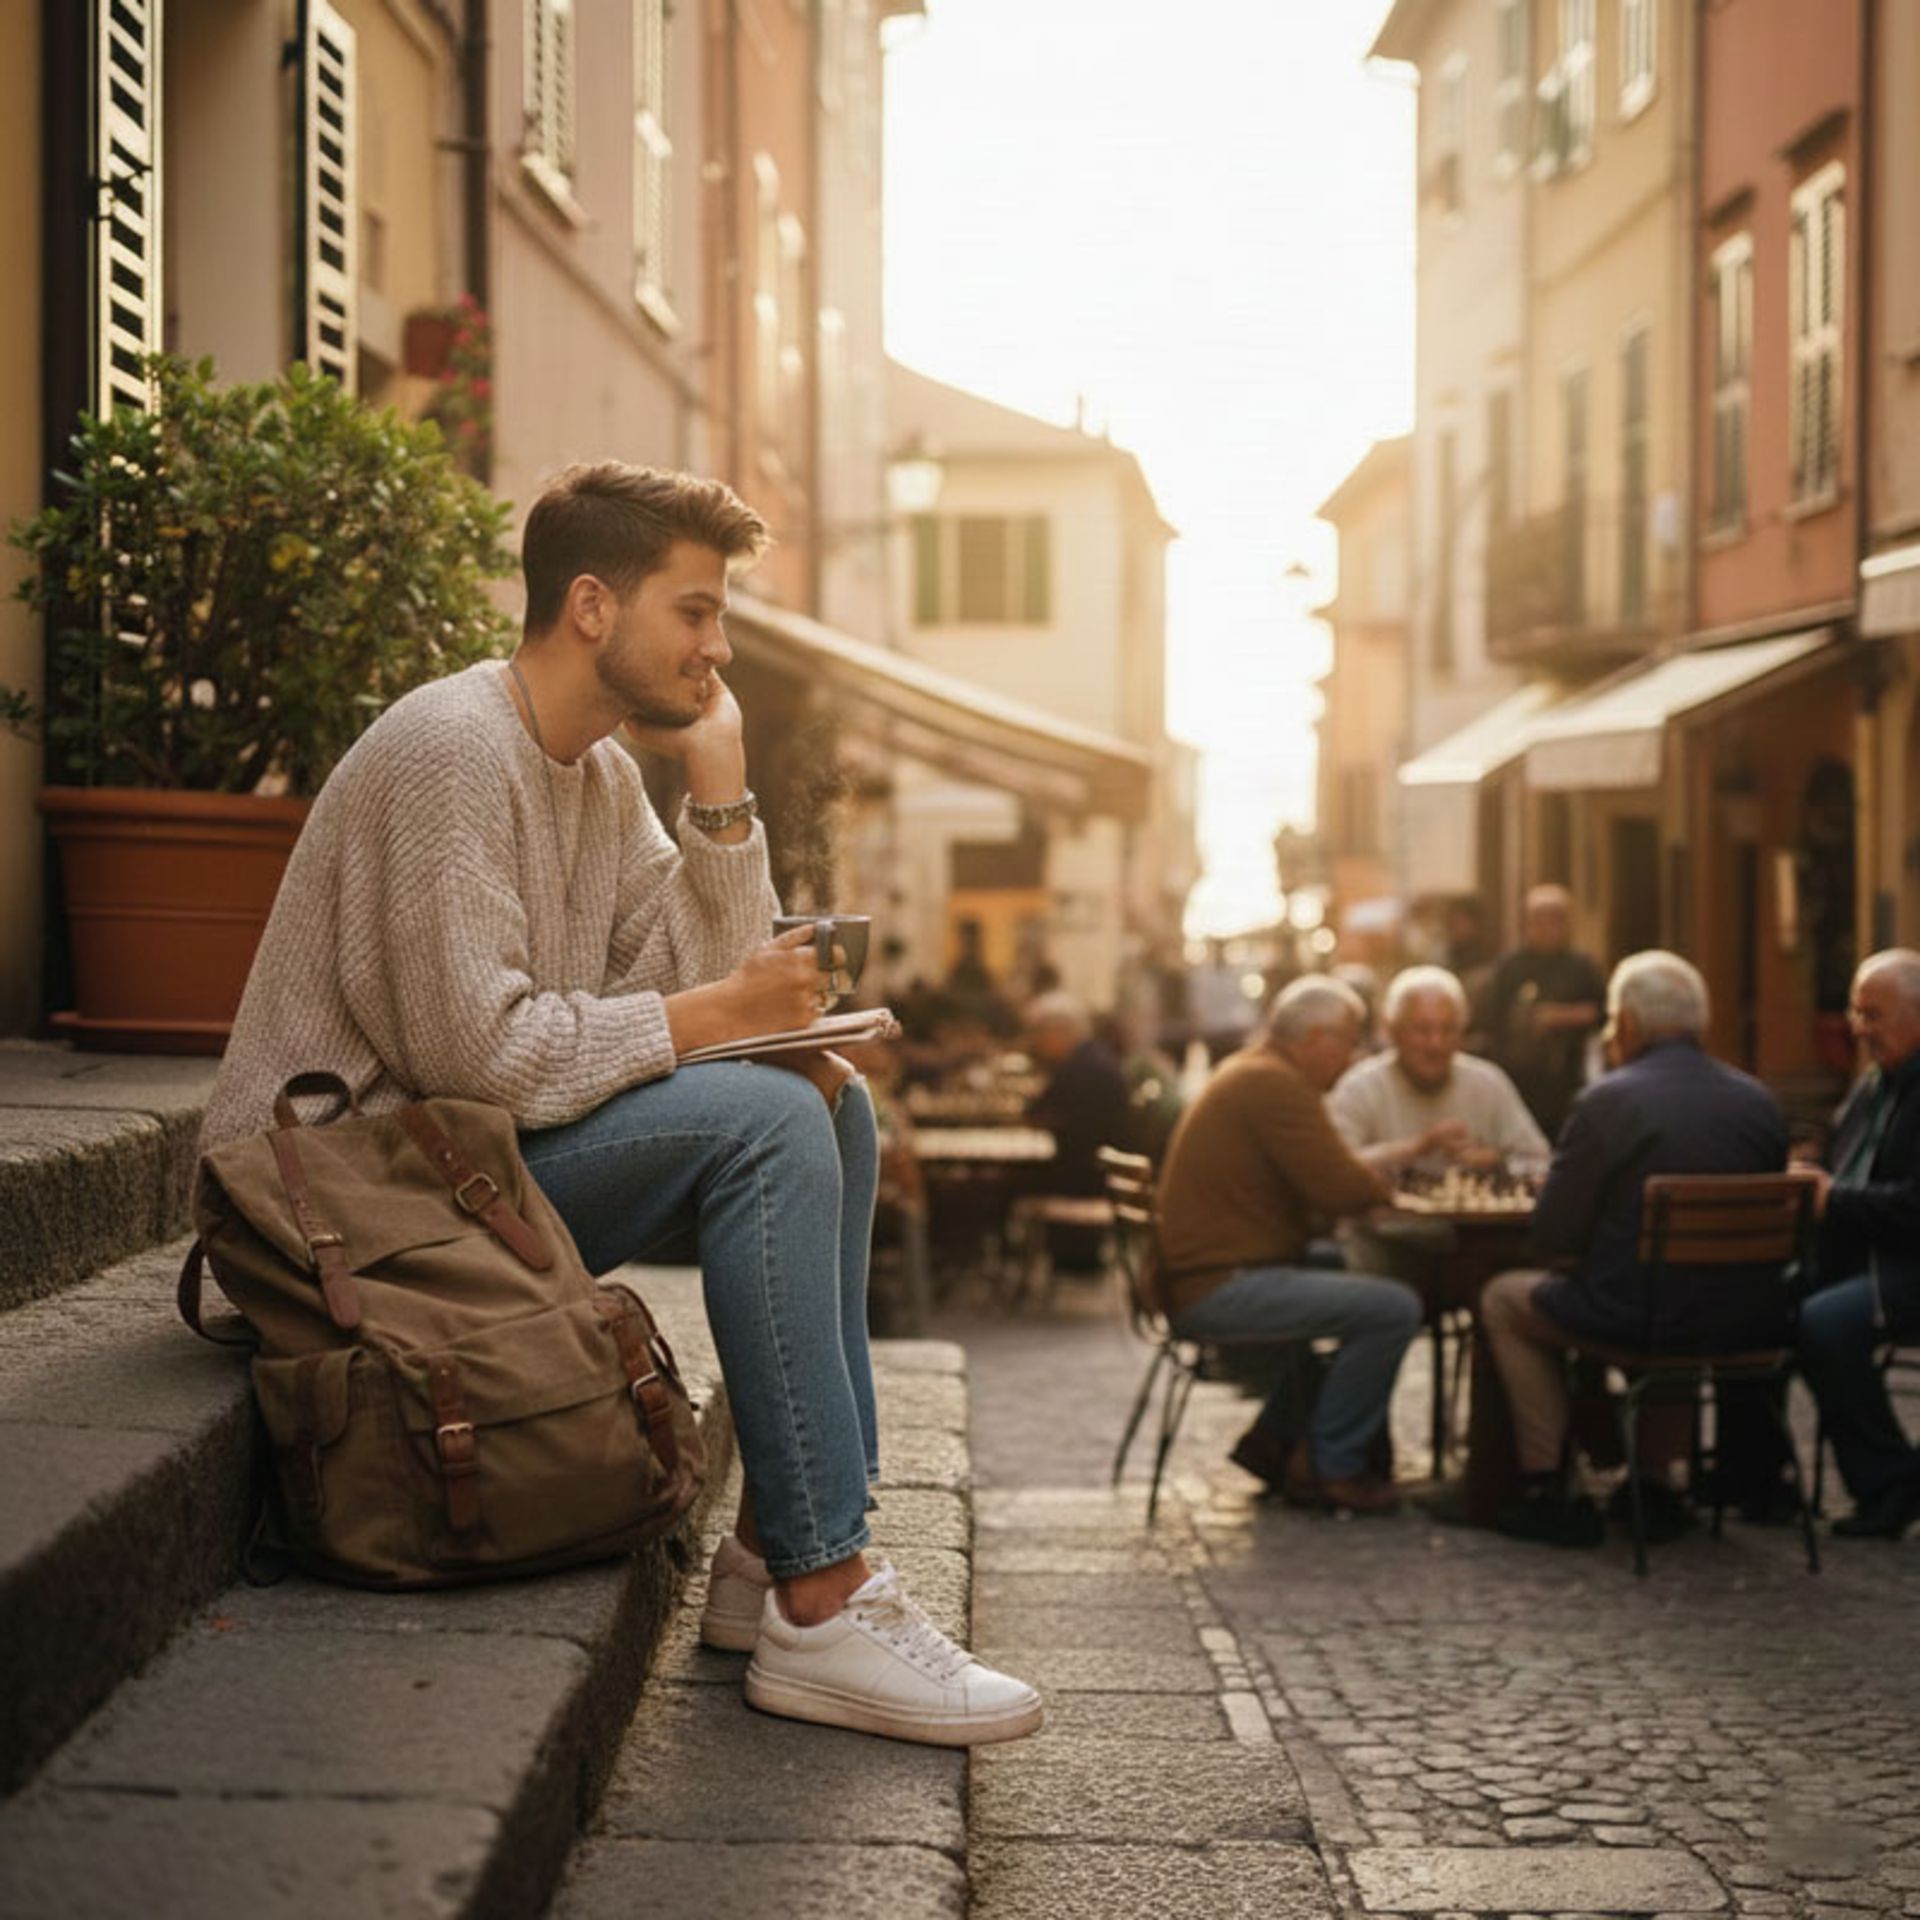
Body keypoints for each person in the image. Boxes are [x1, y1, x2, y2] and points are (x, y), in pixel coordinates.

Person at [199, 462, 1040, 1747]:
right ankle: (826, 1595)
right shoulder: (448, 751)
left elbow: (703, 969)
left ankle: (776, 1554)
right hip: (353, 1212)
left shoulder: (592, 777)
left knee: (827, 1096)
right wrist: (716, 1019)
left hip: (464, 1176)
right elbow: (479, 1057)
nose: (717, 649)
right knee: (765, 1120)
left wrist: (721, 794)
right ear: (592, 606)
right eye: (695, 613)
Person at [1479, 952, 1789, 1548]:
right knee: (1676, 1287)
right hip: (1746, 1319)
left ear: (1625, 1025)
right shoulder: (1758, 1102)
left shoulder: (1608, 1102)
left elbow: (1552, 1236)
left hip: (1639, 1315)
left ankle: (1548, 1482)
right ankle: (1655, 1482)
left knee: (1502, 1300)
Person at [1154, 976, 1422, 1515]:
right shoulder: (1273, 1084)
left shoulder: (1254, 1071)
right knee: (1394, 1307)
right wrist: (1389, 1187)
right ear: (1315, 1037)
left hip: (1211, 1272)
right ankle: (1332, 1466)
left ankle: (1275, 1441)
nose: (1355, 1055)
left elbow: (1321, 1185)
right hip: (1216, 1286)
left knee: (1354, 1269)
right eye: (1349, 1040)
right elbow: (1340, 1186)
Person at [1795, 949, 1920, 1539]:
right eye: (1855, 1011)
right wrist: (1809, 1168)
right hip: (1861, 1252)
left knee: (1825, 1322)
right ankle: (1755, 1477)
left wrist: (1832, 1199)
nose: (1859, 1028)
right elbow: (1844, 1164)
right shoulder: (1875, 1084)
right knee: (1757, 1299)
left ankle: (1891, 1481)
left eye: (1875, 1015)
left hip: (1907, 1263)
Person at [1329, 966, 1548, 1175]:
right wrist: (1417, 1148)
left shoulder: (1488, 1083)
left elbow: (1540, 1160)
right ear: (1393, 1032)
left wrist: (1497, 1161)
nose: (1436, 1044)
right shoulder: (1359, 1088)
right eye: (1422, 1030)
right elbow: (1334, 1168)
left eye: (1448, 1030)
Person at [1481, 884, 1606, 1140]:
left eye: (1554, 920)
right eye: (1538, 920)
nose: (1546, 927)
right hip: (1518, 1081)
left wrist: (1560, 1017)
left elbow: (1603, 1013)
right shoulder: (1510, 967)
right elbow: (1488, 1019)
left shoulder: (1581, 967)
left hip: (1567, 1081)